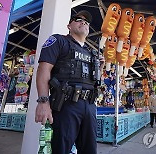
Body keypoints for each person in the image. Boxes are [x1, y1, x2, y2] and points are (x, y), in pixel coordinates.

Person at [35, 10, 104, 154]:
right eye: (78, 19)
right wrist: (43, 101)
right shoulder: (58, 41)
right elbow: (43, 70)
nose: (83, 22)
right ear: (69, 26)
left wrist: (100, 68)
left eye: (86, 22)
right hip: (66, 105)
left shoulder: (92, 53)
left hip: (90, 106)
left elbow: (94, 81)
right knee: (61, 149)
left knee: (90, 150)